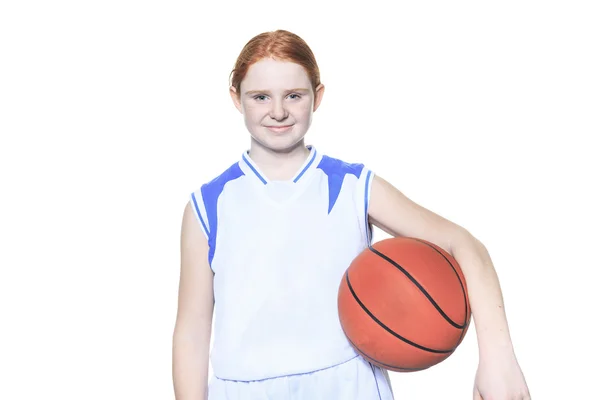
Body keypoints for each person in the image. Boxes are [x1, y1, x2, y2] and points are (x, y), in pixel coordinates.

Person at [172, 29, 530, 400]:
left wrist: (498, 357)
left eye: (294, 95)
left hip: (347, 386)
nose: (277, 111)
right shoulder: (207, 206)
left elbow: (464, 244)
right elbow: (192, 330)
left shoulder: (353, 186)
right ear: (236, 98)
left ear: (317, 96)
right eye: (260, 97)